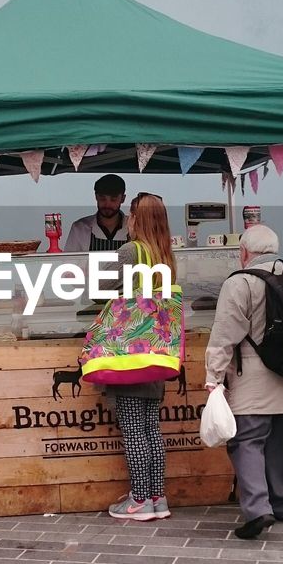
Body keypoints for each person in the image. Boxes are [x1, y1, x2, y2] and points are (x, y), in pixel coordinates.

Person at [205, 224, 283, 539]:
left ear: (244, 252)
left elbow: (224, 335)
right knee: (281, 441)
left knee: (247, 441)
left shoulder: (241, 282)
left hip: (254, 377)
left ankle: (258, 510)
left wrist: (213, 377)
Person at [107, 194, 175, 522]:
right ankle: (156, 497)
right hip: (157, 350)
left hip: (132, 350)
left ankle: (138, 501)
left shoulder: (131, 251)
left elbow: (99, 286)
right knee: (151, 428)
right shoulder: (164, 253)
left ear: (136, 217)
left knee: (134, 428)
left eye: (131, 215)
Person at [64, 174, 128, 252]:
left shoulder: (135, 228)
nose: (107, 205)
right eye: (102, 199)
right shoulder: (80, 228)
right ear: (96, 197)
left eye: (113, 200)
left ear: (123, 199)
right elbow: (71, 262)